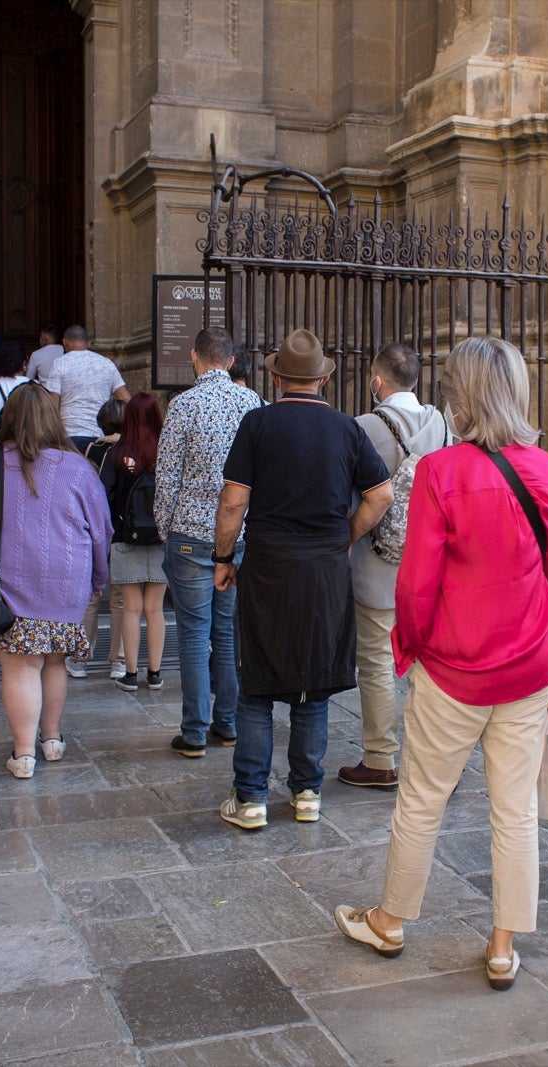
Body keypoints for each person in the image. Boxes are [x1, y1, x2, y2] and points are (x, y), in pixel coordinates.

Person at [334, 335, 548, 993]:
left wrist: (409, 646)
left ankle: (390, 921)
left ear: (461, 394)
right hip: (528, 664)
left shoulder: (444, 472)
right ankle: (503, 946)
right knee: (514, 807)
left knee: (421, 799)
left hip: (455, 666)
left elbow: (417, 582)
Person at [213, 328, 392, 830]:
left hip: (268, 566)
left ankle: (250, 798)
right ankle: (307, 792)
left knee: (257, 682)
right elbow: (380, 496)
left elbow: (232, 501)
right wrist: (346, 537)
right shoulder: (346, 429)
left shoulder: (257, 424)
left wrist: (223, 557)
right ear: (324, 378)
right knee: (313, 682)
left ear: (275, 377)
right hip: (325, 571)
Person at [0, 383, 111, 779]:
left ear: (8, 419)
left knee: (20, 666)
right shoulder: (79, 467)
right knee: (53, 660)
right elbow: (101, 531)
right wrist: (99, 578)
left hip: (8, 585)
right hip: (66, 583)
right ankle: (51, 740)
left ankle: (23, 754)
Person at [340, 343, 450, 789]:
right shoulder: (443, 425)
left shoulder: (363, 426)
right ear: (417, 381)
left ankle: (381, 759)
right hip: (431, 569)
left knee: (377, 664)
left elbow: (348, 494)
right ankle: (435, 763)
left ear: (376, 380)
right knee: (431, 667)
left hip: (377, 568)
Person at [153, 327, 262, 756]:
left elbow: (167, 477)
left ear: (195, 357)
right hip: (237, 536)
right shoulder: (252, 403)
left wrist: (167, 529)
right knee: (227, 632)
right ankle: (227, 723)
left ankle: (195, 731)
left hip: (190, 536)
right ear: (232, 361)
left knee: (194, 634)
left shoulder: (182, 406)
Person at [100, 393, 169, 692]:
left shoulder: (115, 453)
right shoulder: (167, 450)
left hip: (125, 537)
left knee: (131, 609)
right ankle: (154, 673)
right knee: (155, 609)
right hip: (161, 539)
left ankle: (130, 674)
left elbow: (104, 496)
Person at [79, 397, 128, 681]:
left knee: (91, 596)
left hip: (96, 528)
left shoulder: (94, 448)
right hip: (125, 530)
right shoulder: (135, 448)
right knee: (121, 599)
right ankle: (119, 661)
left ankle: (80, 658)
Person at [46, 325, 129, 454]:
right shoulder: (106, 363)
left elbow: (52, 405)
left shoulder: (59, 363)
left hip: (69, 437)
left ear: (64, 342)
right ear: (88, 343)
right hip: (101, 437)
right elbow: (125, 398)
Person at [27, 325, 64, 390]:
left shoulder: (36, 354)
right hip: (63, 390)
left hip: (45, 392)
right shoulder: (65, 350)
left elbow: (29, 378)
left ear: (44, 339)